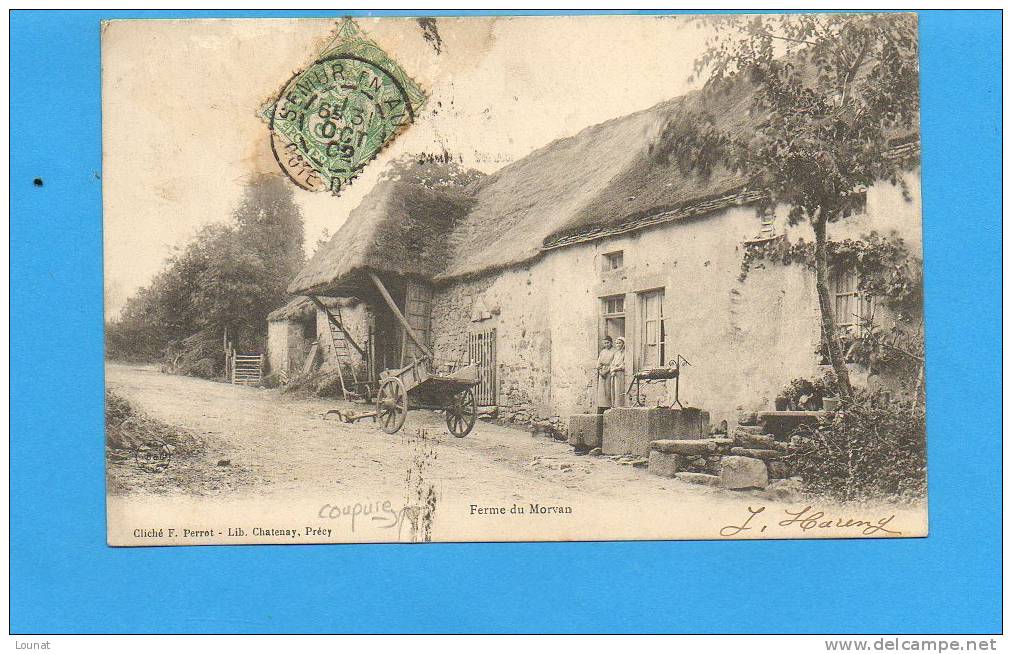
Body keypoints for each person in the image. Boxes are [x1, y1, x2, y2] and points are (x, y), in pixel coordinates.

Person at [595, 336, 615, 413]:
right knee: (602, 391)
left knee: (608, 390)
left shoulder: (614, 351)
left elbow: (613, 363)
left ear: (611, 342)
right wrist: (600, 371)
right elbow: (598, 363)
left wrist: (606, 371)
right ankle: (601, 407)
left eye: (608, 343)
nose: (606, 344)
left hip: (609, 373)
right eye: (605, 343)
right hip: (602, 373)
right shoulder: (603, 352)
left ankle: (608, 406)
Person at [610, 337, 627, 407]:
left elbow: (624, 364)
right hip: (614, 374)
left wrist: (616, 369)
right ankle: (614, 404)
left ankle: (620, 404)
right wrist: (612, 369)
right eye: (616, 343)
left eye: (619, 343)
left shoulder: (625, 353)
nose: (618, 345)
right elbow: (612, 363)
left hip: (620, 374)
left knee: (619, 389)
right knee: (613, 390)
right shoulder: (616, 354)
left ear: (623, 344)